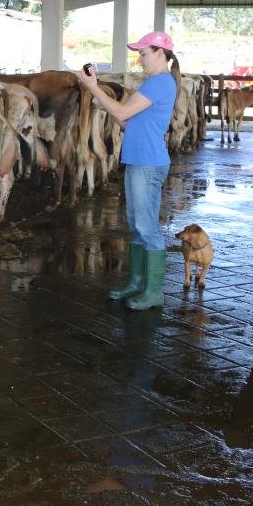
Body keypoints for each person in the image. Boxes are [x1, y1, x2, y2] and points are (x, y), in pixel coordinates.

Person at [74, 32, 179, 311]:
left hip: (148, 162)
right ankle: (137, 283)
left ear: (160, 53)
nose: (139, 59)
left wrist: (93, 86)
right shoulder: (153, 83)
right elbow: (128, 123)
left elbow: (122, 114)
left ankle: (154, 291)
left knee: (147, 226)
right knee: (136, 225)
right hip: (139, 159)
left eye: (143, 53)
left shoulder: (159, 83)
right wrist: (105, 106)